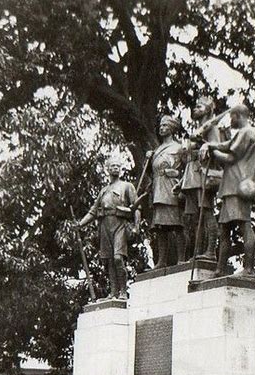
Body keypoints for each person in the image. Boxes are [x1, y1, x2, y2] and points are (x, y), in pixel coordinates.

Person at [202, 104, 255, 277]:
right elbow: (228, 144)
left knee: (244, 225)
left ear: (238, 116)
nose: (230, 121)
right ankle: (220, 269)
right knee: (224, 229)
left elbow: (230, 156)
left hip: (239, 186)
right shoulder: (242, 134)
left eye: (232, 117)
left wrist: (213, 153)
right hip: (231, 186)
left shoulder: (247, 132)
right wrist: (212, 145)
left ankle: (249, 269)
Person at [77, 156, 137, 300]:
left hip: (120, 223)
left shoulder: (126, 186)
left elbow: (136, 207)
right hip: (105, 225)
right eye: (113, 166)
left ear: (120, 169)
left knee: (118, 258)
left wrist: (136, 226)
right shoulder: (103, 190)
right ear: (108, 169)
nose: (115, 168)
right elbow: (93, 211)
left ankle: (123, 290)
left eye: (118, 166)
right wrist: (80, 224)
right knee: (109, 260)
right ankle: (113, 292)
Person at [180, 96, 221, 261]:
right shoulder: (198, 128)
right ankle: (198, 251)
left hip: (203, 172)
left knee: (207, 212)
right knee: (195, 216)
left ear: (208, 109)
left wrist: (206, 145)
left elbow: (217, 146)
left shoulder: (211, 128)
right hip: (191, 173)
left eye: (200, 106)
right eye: (195, 107)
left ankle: (210, 251)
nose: (195, 109)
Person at [147, 115, 185, 268]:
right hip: (158, 188)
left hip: (171, 187)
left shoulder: (179, 148)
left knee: (177, 224)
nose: (161, 128)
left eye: (165, 125)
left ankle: (181, 258)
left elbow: (188, 168)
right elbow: (151, 171)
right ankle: (161, 260)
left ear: (172, 128)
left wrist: (178, 177)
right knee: (160, 226)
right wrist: (150, 159)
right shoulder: (156, 150)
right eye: (161, 126)